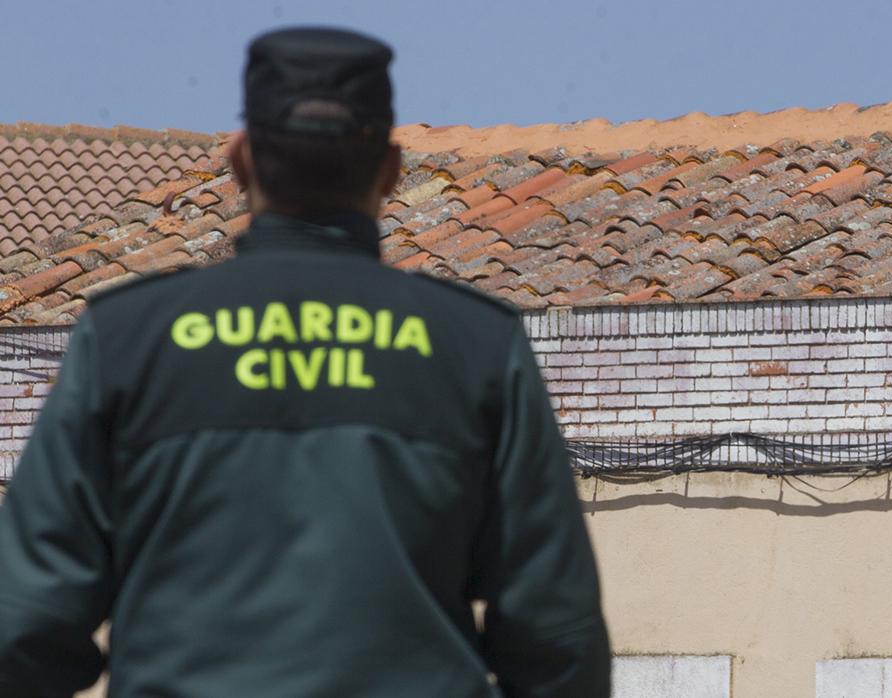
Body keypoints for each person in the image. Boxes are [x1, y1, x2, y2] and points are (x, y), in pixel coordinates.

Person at [0, 27, 610, 697]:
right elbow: (558, 642)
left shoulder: (125, 340)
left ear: (240, 161)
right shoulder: (477, 346)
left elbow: (22, 627)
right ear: (391, 170)